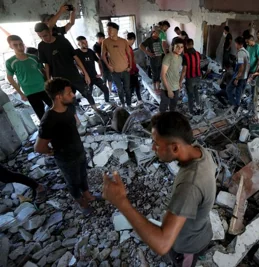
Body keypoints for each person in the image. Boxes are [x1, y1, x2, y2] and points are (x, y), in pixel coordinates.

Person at [102, 112, 216, 265]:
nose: (152, 147)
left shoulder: (189, 186)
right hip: (200, 230)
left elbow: (162, 244)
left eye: (156, 143)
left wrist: (121, 202)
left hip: (188, 247)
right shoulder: (199, 151)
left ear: (175, 148)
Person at [35, 78, 100, 215]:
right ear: (59, 96)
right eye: (69, 93)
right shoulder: (48, 120)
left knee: (83, 175)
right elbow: (39, 147)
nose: (73, 95)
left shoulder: (69, 107)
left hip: (78, 151)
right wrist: (52, 152)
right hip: (66, 158)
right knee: (73, 182)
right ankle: (82, 204)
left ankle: (88, 195)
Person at [34, 23, 98, 112]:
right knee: (68, 99)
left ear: (50, 31)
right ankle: (77, 116)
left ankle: (96, 109)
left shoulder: (62, 41)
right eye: (40, 37)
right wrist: (48, 80)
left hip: (73, 75)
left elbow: (75, 57)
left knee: (86, 93)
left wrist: (85, 73)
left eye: (45, 35)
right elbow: (46, 65)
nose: (44, 39)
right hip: (59, 79)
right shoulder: (41, 46)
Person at [6, 35, 52, 120]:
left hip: (43, 88)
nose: (19, 47)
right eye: (15, 45)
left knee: (55, 108)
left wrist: (48, 82)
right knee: (41, 115)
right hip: (30, 92)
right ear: (10, 46)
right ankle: (49, 132)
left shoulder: (33, 57)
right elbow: (10, 78)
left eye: (21, 44)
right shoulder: (10, 62)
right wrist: (21, 93)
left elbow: (43, 70)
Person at [102, 22, 133, 108]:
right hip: (115, 71)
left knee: (127, 89)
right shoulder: (105, 42)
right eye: (107, 29)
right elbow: (103, 56)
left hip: (125, 70)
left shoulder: (123, 41)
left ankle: (129, 104)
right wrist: (109, 66)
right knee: (119, 89)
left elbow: (129, 54)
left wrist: (130, 66)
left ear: (116, 30)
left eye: (110, 29)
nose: (108, 31)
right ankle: (123, 104)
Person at [75, 36, 110, 103]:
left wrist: (101, 72)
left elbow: (99, 61)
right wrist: (80, 69)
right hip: (85, 79)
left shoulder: (90, 51)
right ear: (78, 44)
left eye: (86, 42)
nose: (85, 44)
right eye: (82, 43)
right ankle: (93, 107)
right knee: (88, 95)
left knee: (106, 89)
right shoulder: (76, 52)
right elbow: (74, 63)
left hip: (95, 76)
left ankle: (107, 102)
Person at [160, 38, 185, 112]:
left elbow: (176, 72)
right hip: (166, 88)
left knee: (173, 107)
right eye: (177, 46)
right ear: (173, 46)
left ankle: (171, 121)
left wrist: (179, 83)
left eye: (182, 47)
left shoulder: (180, 58)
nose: (180, 49)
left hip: (176, 87)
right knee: (163, 107)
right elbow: (163, 74)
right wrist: (169, 90)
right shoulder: (168, 57)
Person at [226, 36, 250, 111]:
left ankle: (234, 105)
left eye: (235, 44)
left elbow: (241, 67)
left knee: (228, 89)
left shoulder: (240, 53)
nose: (235, 45)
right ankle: (237, 105)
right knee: (238, 93)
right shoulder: (247, 52)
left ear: (239, 44)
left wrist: (237, 78)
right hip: (245, 76)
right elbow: (248, 65)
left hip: (239, 76)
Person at [180, 38, 202, 115]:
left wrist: (180, 82)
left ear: (186, 45)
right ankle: (198, 107)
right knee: (196, 93)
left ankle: (192, 111)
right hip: (198, 77)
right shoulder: (198, 54)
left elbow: (184, 71)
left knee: (190, 95)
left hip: (190, 78)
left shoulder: (185, 56)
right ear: (192, 44)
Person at [140, 29, 163, 95]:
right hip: (153, 60)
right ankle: (155, 89)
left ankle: (158, 88)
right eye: (156, 33)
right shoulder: (149, 40)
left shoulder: (159, 39)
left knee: (158, 74)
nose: (157, 34)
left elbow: (160, 47)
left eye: (158, 33)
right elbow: (141, 46)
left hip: (159, 59)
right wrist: (148, 53)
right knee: (154, 74)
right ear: (153, 32)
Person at [126, 32, 142, 106]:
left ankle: (132, 101)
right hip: (130, 71)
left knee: (132, 87)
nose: (133, 43)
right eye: (134, 41)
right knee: (135, 86)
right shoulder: (127, 48)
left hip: (130, 70)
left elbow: (132, 60)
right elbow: (129, 61)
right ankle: (137, 101)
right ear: (132, 39)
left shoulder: (127, 47)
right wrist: (134, 69)